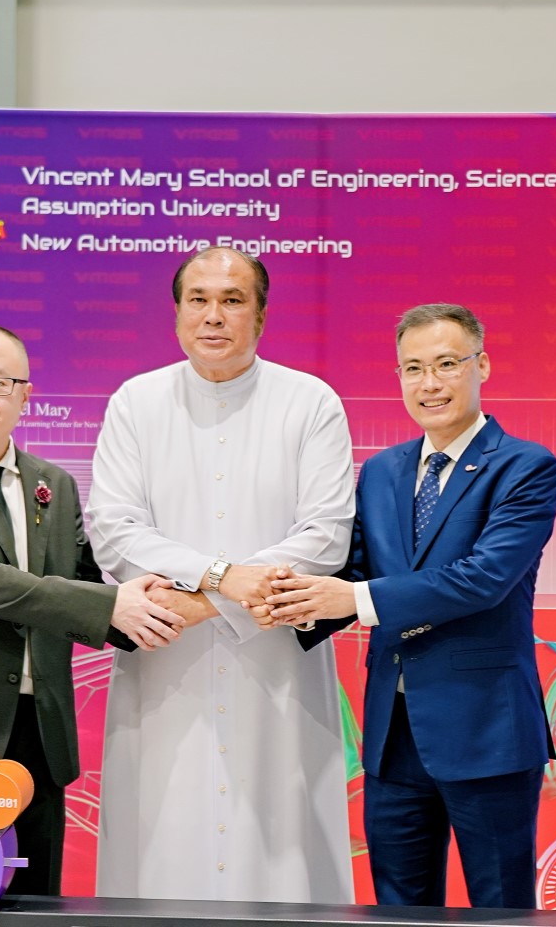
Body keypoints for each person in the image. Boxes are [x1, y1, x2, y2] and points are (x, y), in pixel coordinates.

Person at [260, 303, 556, 909]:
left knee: (501, 909)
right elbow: (356, 572)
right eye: (413, 368)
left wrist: (353, 596)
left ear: (482, 365)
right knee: (398, 910)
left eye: (447, 364)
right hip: (393, 734)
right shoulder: (381, 472)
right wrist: (284, 598)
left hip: (486, 731)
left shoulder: (526, 467)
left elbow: (483, 579)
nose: (430, 383)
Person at [0, 324, 185, 897]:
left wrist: (165, 607)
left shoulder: (55, 484)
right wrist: (113, 604)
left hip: (40, 734)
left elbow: (83, 584)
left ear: (25, 395)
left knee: (37, 900)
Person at [87, 247, 356, 902]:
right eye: (198, 299)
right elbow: (115, 531)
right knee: (159, 848)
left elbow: (325, 537)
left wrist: (209, 603)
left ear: (260, 315)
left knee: (283, 848)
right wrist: (220, 576)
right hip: (163, 666)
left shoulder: (310, 402)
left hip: (277, 668)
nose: (214, 315)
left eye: (233, 300)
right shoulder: (136, 402)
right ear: (177, 312)